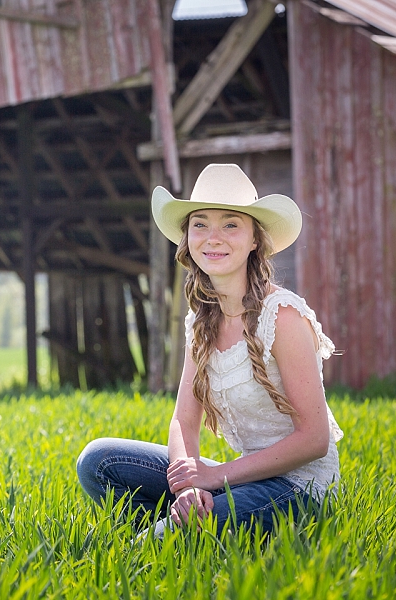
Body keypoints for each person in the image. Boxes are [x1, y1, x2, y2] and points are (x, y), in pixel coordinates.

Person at [76, 163, 343, 535]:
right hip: (241, 478)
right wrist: (189, 483)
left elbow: (315, 439)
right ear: (188, 238)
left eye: (231, 224)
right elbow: (184, 422)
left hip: (300, 490)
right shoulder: (202, 320)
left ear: (254, 240)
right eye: (200, 224)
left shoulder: (282, 317)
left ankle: (171, 532)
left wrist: (215, 476)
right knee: (98, 461)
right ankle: (189, 521)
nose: (213, 237)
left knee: (186, 530)